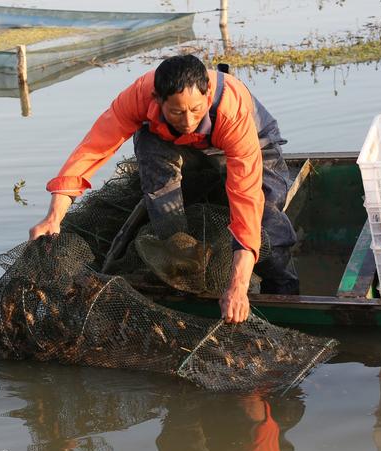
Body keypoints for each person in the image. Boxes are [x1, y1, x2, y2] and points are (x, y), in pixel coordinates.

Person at [29, 55, 298, 324]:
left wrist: (238, 287)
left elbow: (246, 197)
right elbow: (94, 148)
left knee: (267, 219)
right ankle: (182, 269)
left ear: (206, 94)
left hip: (254, 144)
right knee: (151, 152)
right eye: (177, 112)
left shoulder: (231, 110)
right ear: (157, 100)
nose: (188, 120)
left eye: (195, 109)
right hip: (175, 145)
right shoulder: (138, 96)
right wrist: (54, 216)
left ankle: (283, 292)